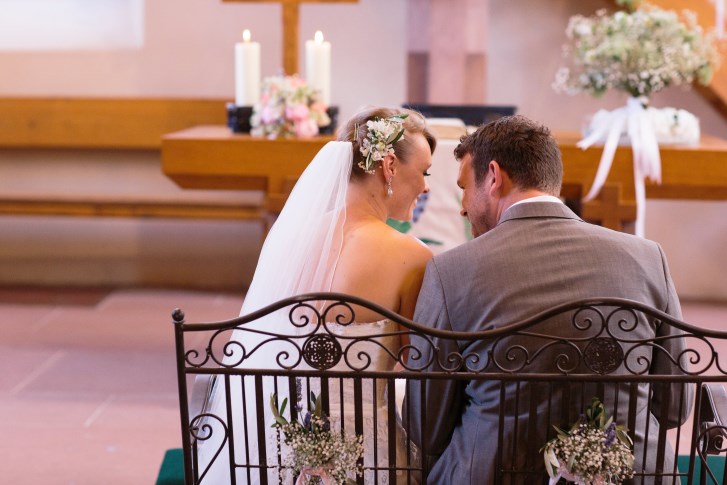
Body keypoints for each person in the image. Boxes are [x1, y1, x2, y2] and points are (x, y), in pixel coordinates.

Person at [404, 115, 692, 484]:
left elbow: (425, 424)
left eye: (464, 187)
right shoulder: (648, 256)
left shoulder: (451, 271)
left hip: (493, 473)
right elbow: (674, 406)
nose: (462, 206)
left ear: (493, 176)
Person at [197, 107, 435, 484]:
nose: (426, 187)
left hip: (276, 439)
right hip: (367, 455)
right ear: (389, 164)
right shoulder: (413, 256)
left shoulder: (292, 239)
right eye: (424, 172)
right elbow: (415, 358)